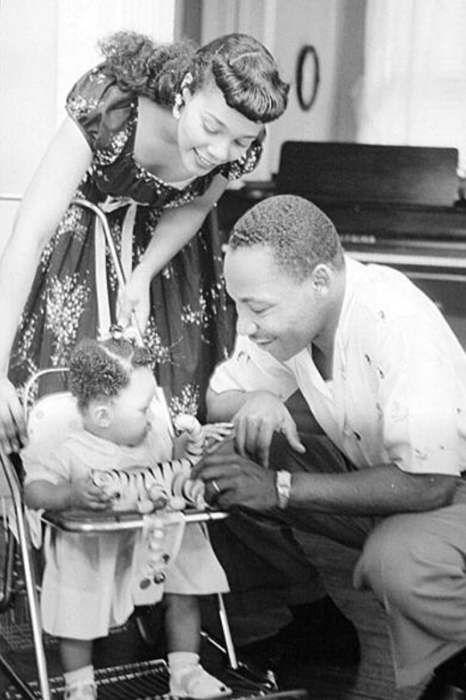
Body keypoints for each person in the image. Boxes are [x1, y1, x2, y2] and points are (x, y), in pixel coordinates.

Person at [192, 194, 466, 700]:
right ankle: (318, 623)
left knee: (396, 559)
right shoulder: (301, 313)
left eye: (257, 308)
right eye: (238, 305)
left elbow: (431, 485)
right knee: (220, 465)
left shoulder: (395, 317)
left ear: (318, 281)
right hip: (385, 476)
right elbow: (219, 402)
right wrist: (255, 402)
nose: (245, 327)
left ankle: (463, 657)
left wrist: (282, 488)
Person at [0, 30, 289, 455]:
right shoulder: (109, 105)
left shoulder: (238, 143)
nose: (219, 151)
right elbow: (30, 231)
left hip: (171, 260)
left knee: (168, 420)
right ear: (186, 92)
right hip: (85, 246)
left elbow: (195, 207)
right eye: (211, 127)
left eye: (240, 141)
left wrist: (142, 274)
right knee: (74, 417)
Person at [22, 336, 231, 700]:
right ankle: (79, 686)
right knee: (77, 615)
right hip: (92, 549)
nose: (153, 415)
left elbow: (174, 467)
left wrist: (192, 445)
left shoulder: (151, 441)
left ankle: (185, 669)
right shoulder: (70, 451)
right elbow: (34, 490)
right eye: (144, 407)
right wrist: (68, 494)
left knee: (186, 591)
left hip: (156, 537)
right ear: (103, 414)